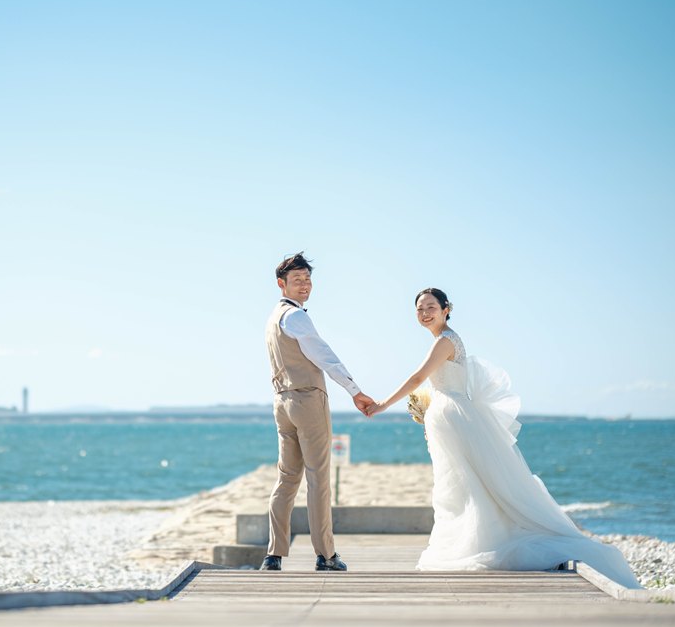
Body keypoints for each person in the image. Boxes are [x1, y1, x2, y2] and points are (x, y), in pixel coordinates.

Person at [362, 288, 640, 588]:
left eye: (430, 306)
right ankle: (467, 541)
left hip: (453, 416)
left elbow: (418, 378)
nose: (424, 313)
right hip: (449, 415)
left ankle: (479, 543)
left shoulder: (444, 341)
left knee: (466, 482)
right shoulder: (444, 340)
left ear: (446, 309)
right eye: (419, 309)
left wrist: (381, 405)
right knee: (460, 483)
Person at [261, 252, 375, 572]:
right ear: (281, 283)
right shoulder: (296, 317)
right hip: (308, 400)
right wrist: (355, 390)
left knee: (286, 479)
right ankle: (326, 555)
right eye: (297, 280)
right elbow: (325, 356)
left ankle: (274, 555)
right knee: (318, 479)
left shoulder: (272, 318)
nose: (305, 285)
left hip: (281, 401)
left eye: (308, 279)